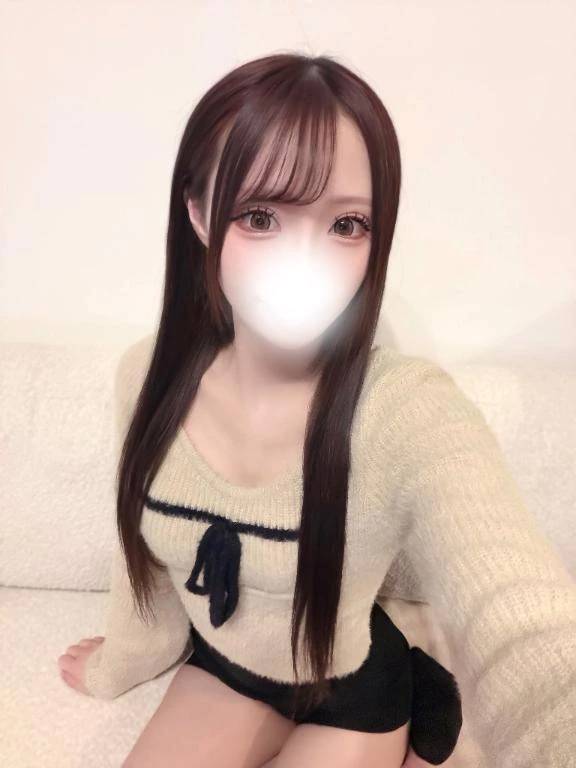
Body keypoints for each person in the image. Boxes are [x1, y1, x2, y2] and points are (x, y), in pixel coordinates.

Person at [57, 52, 576, 768]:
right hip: (225, 671)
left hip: (354, 692)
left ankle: (415, 702)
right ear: (199, 213)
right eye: (260, 216)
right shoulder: (145, 378)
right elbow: (138, 555)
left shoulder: (405, 409)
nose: (305, 263)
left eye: (347, 225)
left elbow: (521, 616)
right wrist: (128, 654)